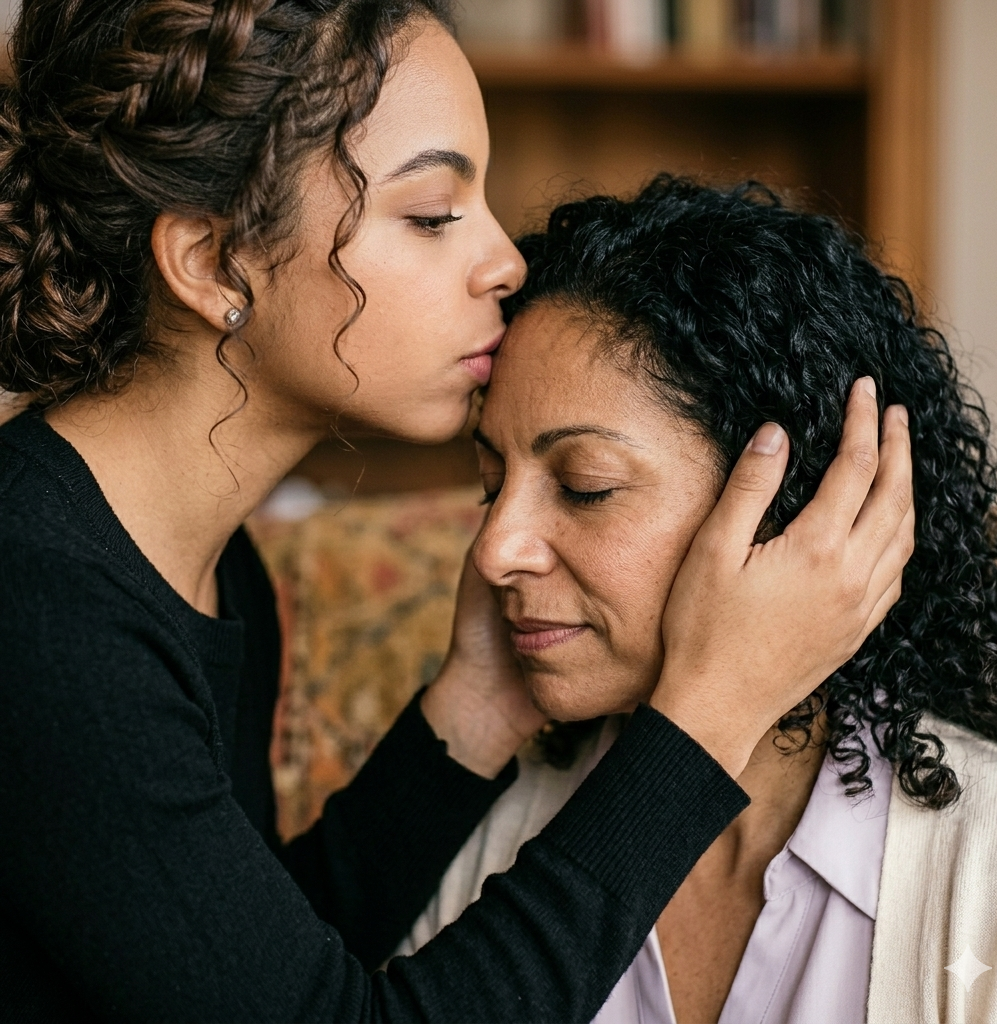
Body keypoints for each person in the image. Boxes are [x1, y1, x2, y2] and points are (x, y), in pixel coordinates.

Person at [0, 3, 913, 1021]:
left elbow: (242, 973)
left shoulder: (215, 567)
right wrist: (705, 714)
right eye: (432, 213)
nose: (505, 261)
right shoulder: (36, 597)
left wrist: (477, 707)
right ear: (213, 264)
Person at [397, 177, 997, 1024]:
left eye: (585, 486)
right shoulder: (490, 833)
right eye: (490, 482)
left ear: (798, 511)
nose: (495, 550)